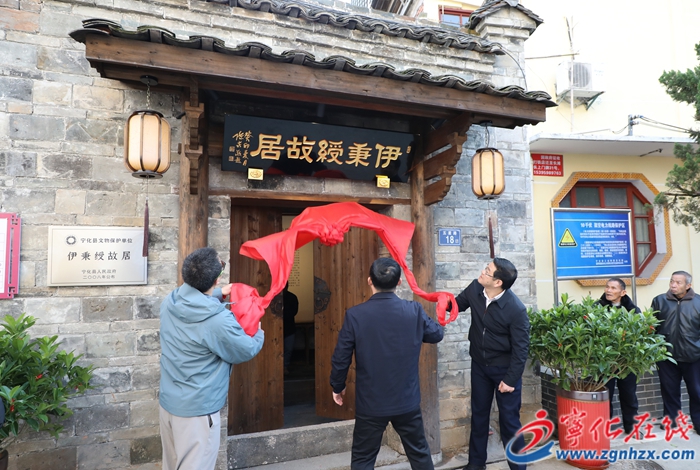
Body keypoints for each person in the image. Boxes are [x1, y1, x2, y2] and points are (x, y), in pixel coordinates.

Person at [330, 257, 444, 470]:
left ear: (369, 281)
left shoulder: (355, 315)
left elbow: (341, 357)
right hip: (406, 400)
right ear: (399, 282)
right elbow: (436, 334)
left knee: (363, 459)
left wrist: (338, 386)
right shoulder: (414, 310)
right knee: (419, 454)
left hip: (371, 402)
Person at [159, 247, 265, 470]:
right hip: (197, 411)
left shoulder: (171, 301)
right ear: (216, 279)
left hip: (169, 404)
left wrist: (219, 293)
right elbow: (245, 349)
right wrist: (258, 329)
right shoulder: (217, 320)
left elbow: (194, 301)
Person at [453, 258, 529, 470]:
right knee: (478, 417)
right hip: (479, 365)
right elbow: (456, 305)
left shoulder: (516, 309)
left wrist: (510, 380)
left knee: (509, 422)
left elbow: (521, 349)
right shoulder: (475, 288)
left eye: (487, 270)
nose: (482, 271)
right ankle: (476, 464)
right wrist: (442, 302)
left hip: (504, 370)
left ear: (498, 282)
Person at [650, 270, 700, 431]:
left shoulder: (698, 302)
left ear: (688, 285)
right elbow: (651, 327)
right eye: (672, 281)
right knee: (669, 391)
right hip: (666, 356)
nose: (673, 285)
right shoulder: (659, 301)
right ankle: (671, 422)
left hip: (693, 356)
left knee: (697, 392)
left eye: (678, 282)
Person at [595, 278, 641, 434]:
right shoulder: (597, 308)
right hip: (604, 361)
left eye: (613, 288)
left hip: (625, 362)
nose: (609, 290)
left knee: (629, 395)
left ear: (623, 292)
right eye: (607, 287)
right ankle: (603, 430)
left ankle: (632, 427)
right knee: (604, 396)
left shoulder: (633, 310)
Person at [283, 282, 299, 375]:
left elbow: (294, 311)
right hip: (288, 326)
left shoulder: (292, 297)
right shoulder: (275, 297)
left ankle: (285, 366)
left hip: (289, 327)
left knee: (288, 349)